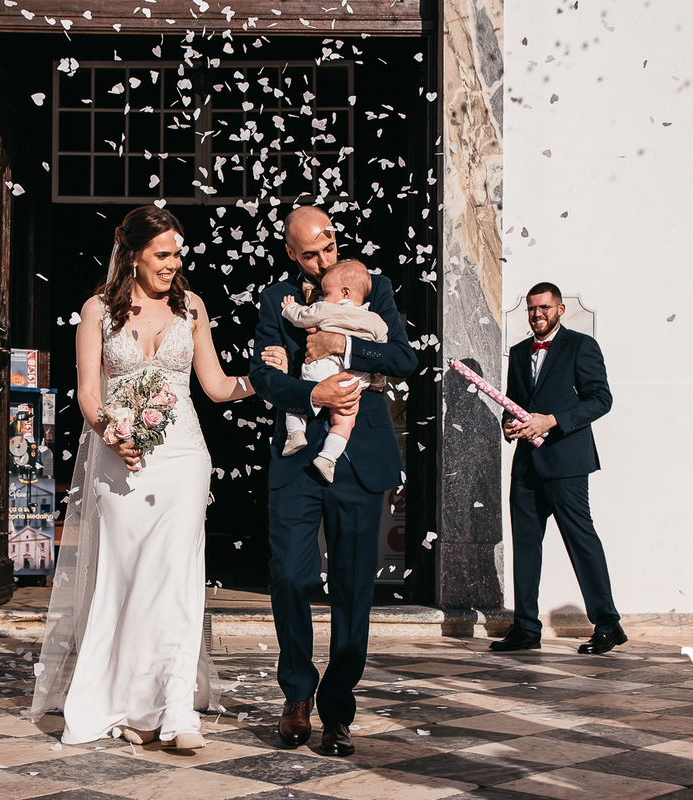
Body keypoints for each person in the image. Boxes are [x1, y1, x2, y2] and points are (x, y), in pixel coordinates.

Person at [27, 206, 285, 749]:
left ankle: (175, 712)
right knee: (125, 578)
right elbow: (88, 393)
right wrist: (111, 433)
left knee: (175, 579)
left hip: (183, 458)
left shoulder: (192, 307)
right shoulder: (97, 310)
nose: (173, 264)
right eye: (162, 254)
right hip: (119, 460)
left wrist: (265, 381)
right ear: (134, 254)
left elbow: (214, 386)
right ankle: (125, 704)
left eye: (177, 253)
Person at [251, 206, 417, 757]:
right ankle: (296, 693)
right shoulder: (278, 301)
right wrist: (311, 393)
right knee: (290, 578)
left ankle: (337, 709)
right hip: (297, 459)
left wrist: (343, 348)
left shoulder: (374, 285)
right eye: (310, 255)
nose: (323, 260)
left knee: (352, 589)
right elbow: (263, 374)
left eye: (328, 248)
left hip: (360, 455)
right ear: (291, 256)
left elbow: (403, 357)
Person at [491, 281, 626, 655]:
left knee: (581, 542)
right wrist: (508, 423)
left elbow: (601, 399)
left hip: (567, 463)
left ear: (560, 309)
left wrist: (551, 420)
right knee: (526, 549)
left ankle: (608, 625)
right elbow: (514, 402)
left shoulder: (582, 346)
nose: (537, 314)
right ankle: (525, 628)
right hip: (526, 465)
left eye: (544, 308)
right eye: (532, 309)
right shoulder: (519, 352)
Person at [279, 259, 388, 483]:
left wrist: (289, 308)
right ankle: (328, 458)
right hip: (352, 381)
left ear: (345, 292)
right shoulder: (377, 322)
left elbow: (302, 317)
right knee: (344, 423)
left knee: (298, 395)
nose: (323, 297)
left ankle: (295, 433)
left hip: (322, 368)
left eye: (326, 292)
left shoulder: (326, 308)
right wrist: (377, 382)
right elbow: (381, 358)